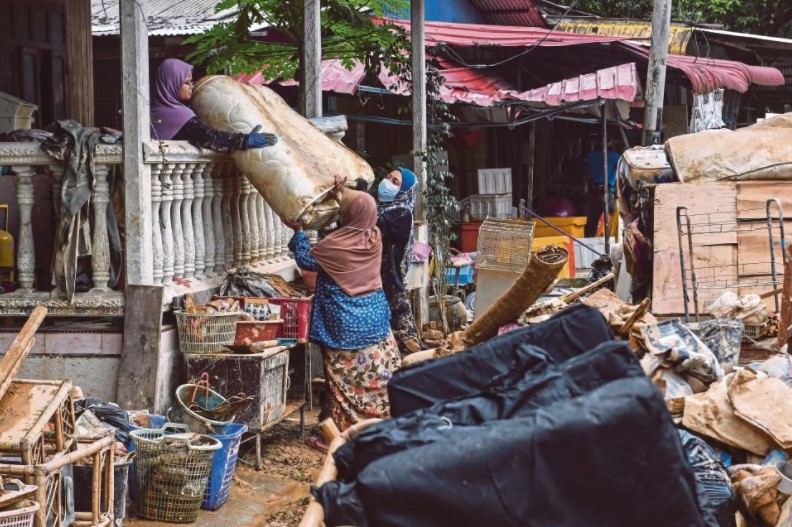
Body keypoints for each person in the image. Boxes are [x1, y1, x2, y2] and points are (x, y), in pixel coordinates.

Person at [284, 177, 401, 450]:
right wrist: (340, 195)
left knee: (343, 383)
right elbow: (357, 210)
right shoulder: (374, 236)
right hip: (375, 321)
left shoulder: (335, 245)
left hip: (344, 322)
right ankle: (380, 425)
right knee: (377, 379)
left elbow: (306, 260)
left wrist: (299, 231)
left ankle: (340, 437)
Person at [150, 58, 278, 152]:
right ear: (172, 83)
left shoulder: (152, 111)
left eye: (192, 82)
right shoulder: (178, 115)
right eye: (187, 82)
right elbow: (209, 137)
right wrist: (245, 140)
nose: (191, 86)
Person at [377, 167, 423, 354]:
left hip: (390, 281)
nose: (387, 182)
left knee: (404, 335)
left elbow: (372, 224)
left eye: (394, 182)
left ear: (405, 191)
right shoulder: (383, 208)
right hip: (377, 281)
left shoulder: (402, 214)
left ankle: (419, 370)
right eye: (388, 177)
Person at [584, 138, 621, 237]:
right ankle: (610, 241)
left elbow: (587, 174)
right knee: (612, 219)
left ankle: (590, 239)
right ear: (609, 142)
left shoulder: (592, 155)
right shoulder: (613, 156)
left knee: (592, 221)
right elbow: (622, 170)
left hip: (593, 191)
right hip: (606, 192)